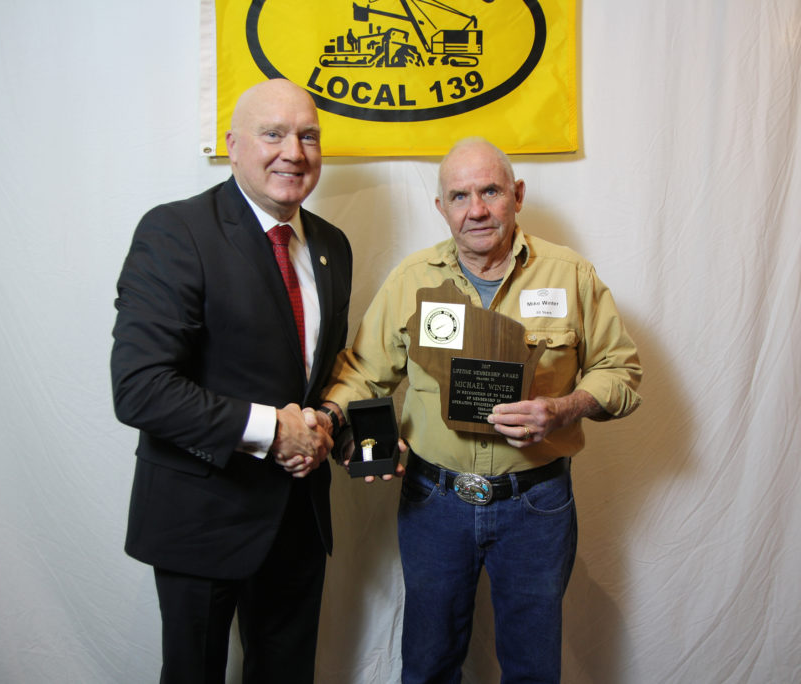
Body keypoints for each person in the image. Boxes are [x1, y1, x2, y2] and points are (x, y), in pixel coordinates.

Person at [322, 137, 642, 683]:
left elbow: (622, 373)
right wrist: (329, 422)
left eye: (490, 191)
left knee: (532, 669)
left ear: (517, 195)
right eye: (460, 195)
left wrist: (563, 408)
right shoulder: (411, 279)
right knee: (428, 665)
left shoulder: (571, 276)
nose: (476, 209)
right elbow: (361, 372)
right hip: (433, 502)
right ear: (440, 207)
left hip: (535, 504)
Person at [110, 79, 352, 684]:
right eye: (273, 134)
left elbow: (318, 375)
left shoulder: (332, 246)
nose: (293, 152)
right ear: (233, 145)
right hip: (201, 517)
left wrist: (334, 428)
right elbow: (140, 387)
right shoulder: (176, 232)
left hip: (298, 517)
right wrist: (275, 430)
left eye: (308, 136)